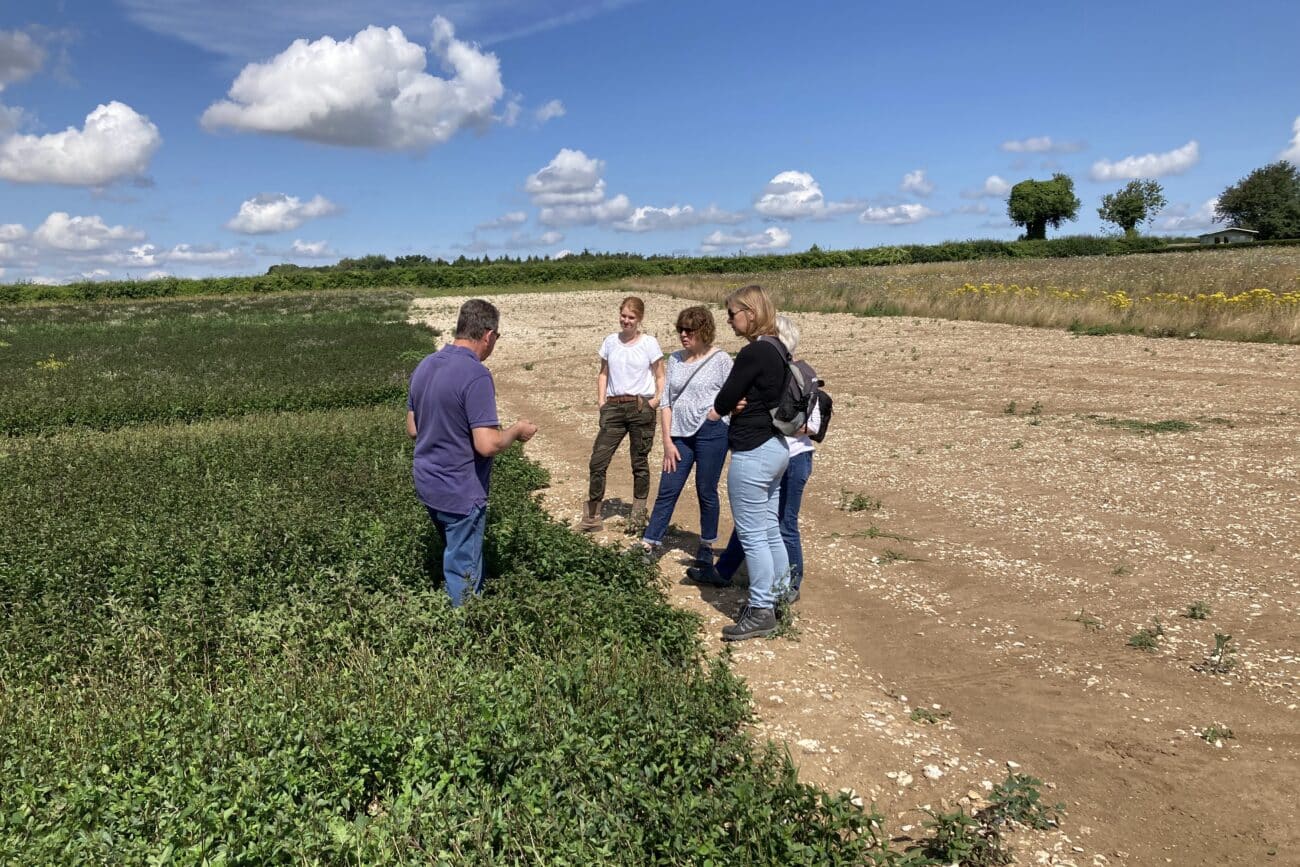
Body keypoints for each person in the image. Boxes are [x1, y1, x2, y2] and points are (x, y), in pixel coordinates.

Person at [407, 298, 537, 607]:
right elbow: (486, 444)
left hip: (427, 482)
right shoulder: (476, 374)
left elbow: (413, 429)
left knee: (453, 550)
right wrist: (517, 431)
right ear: (489, 335)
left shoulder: (425, 364)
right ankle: (462, 634)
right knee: (463, 571)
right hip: (459, 490)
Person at [696, 314, 819, 603]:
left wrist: (751, 411)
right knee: (761, 524)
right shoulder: (781, 369)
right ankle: (735, 575)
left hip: (786, 452)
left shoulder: (793, 370)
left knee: (779, 525)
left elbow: (812, 424)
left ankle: (784, 589)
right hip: (779, 451)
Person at [710, 285, 790, 642]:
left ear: (751, 314)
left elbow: (724, 399)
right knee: (770, 528)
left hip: (753, 450)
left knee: (753, 533)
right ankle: (779, 596)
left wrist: (733, 402)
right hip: (776, 446)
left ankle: (760, 610)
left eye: (732, 313)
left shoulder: (754, 352)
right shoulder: (780, 350)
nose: (729, 320)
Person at [637, 305, 733, 567]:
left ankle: (706, 543)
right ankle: (650, 542)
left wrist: (717, 414)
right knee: (668, 488)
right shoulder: (676, 360)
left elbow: (735, 395)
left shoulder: (721, 360)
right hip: (678, 434)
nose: (683, 334)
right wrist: (667, 441)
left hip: (712, 433)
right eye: (680, 329)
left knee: (706, 490)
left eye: (689, 329)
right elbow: (666, 401)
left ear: (704, 330)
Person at [580, 296, 666, 533]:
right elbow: (603, 373)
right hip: (614, 407)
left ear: (639, 319)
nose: (626, 321)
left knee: (639, 462)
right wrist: (601, 402)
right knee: (598, 460)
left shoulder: (649, 343)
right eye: (624, 316)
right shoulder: (610, 341)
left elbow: (660, 375)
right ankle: (592, 517)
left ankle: (638, 516)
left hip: (641, 407)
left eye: (631, 317)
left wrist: (655, 401)